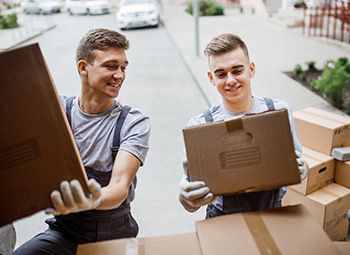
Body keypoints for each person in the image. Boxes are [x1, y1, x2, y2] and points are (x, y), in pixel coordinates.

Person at [12, 28, 150, 255]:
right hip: (66, 231)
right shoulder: (56, 111)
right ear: (83, 67)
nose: (120, 75)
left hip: (116, 235)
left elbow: (118, 187)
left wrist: (88, 201)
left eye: (123, 67)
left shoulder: (133, 122)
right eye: (111, 66)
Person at [178, 33, 308, 218]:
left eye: (237, 70)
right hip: (223, 219)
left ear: (251, 69)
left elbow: (295, 166)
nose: (230, 80)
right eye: (221, 74)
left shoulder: (278, 112)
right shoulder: (200, 127)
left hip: (274, 213)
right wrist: (186, 195)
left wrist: (303, 170)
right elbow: (191, 202)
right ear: (211, 78)